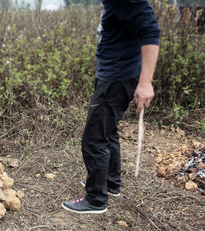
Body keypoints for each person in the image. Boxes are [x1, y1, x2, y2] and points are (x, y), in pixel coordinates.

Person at [62, 0, 161, 214]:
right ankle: (110, 182)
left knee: (94, 137)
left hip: (118, 77)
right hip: (113, 74)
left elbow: (151, 31)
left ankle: (96, 199)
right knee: (108, 130)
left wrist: (145, 82)